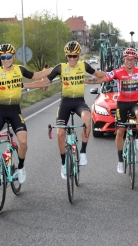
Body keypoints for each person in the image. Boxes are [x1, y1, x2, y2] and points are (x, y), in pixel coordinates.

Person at [23, 41, 105, 180]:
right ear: (66, 56)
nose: (72, 59)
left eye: (74, 56)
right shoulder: (60, 68)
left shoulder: (84, 66)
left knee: (87, 118)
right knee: (60, 133)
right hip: (65, 102)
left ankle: (83, 151)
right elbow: (43, 82)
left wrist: (114, 74)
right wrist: (24, 85)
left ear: (78, 56)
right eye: (69, 56)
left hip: (79, 101)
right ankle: (63, 164)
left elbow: (99, 76)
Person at [93, 48, 138, 173]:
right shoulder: (117, 71)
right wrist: (86, 81)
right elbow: (103, 79)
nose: (129, 61)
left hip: (135, 102)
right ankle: (120, 161)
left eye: (132, 59)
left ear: (136, 60)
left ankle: (137, 138)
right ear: (124, 59)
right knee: (120, 132)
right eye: (127, 59)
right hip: (121, 104)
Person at [0, 43, 53, 183]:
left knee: (23, 143)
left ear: (13, 56)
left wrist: (53, 69)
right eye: (3, 57)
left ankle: (21, 168)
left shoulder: (19, 69)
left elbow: (35, 76)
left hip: (15, 110)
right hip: (0, 111)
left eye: (8, 56)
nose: (6, 59)